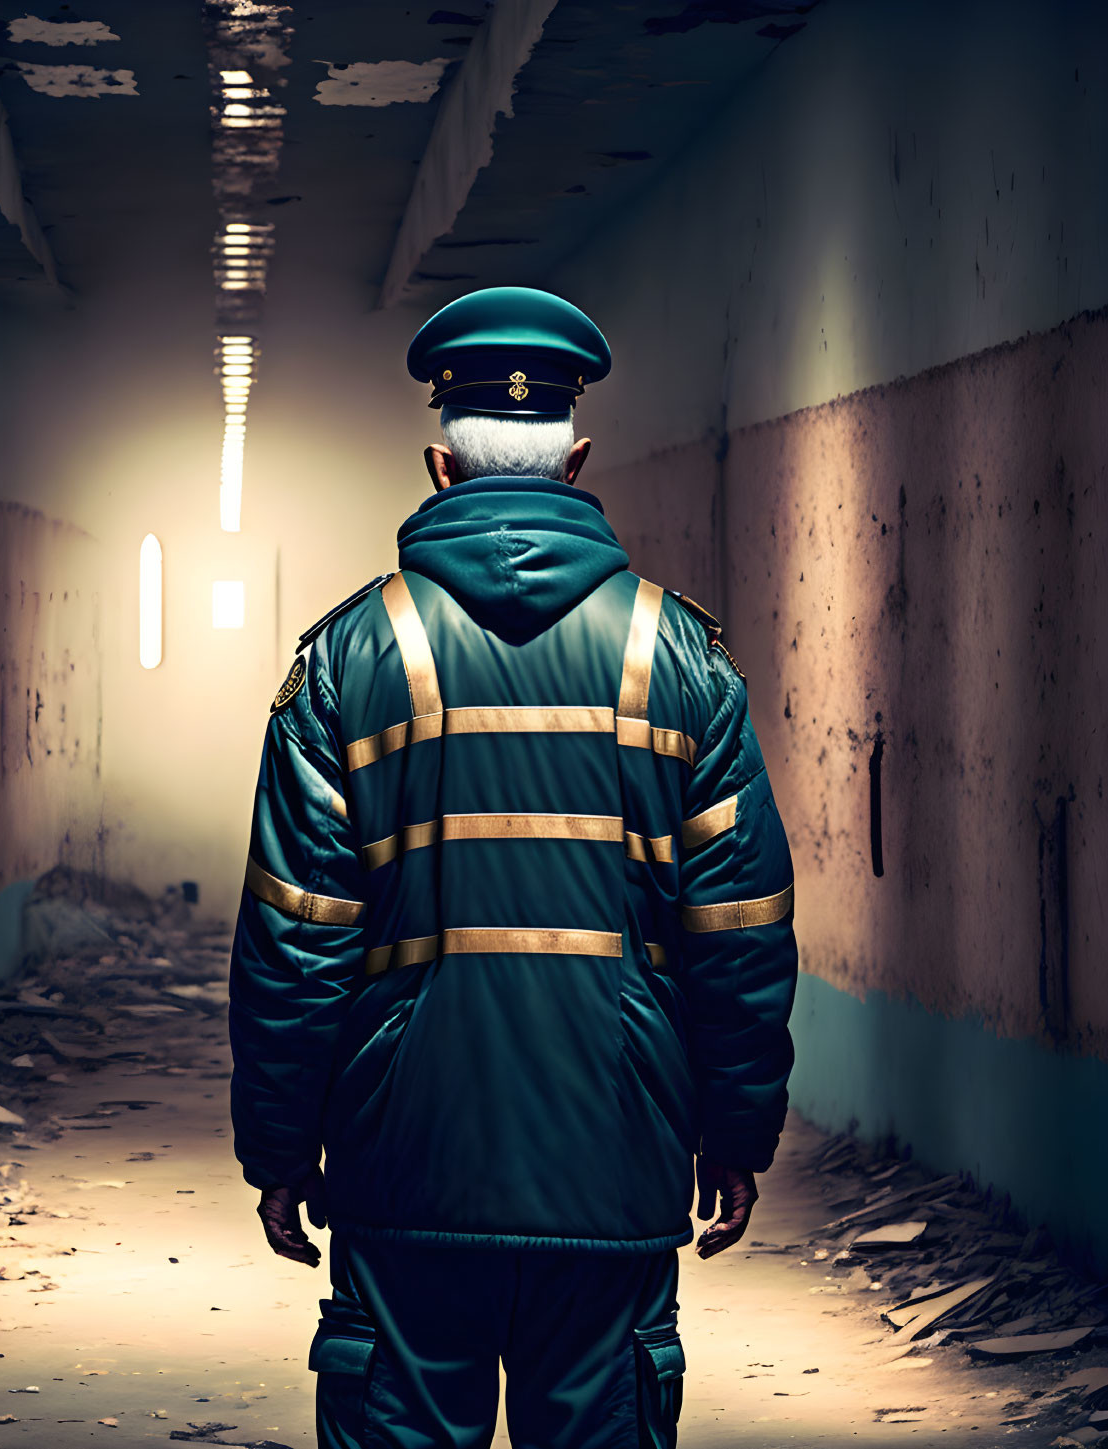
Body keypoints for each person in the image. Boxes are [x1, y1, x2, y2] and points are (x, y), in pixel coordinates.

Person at [228, 286, 798, 1449]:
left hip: (404, 1177)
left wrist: (281, 1149)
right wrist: (738, 1134)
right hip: (617, 1166)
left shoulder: (346, 659)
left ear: (440, 465)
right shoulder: (683, 660)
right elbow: (738, 931)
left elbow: (296, 942)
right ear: (577, 459)